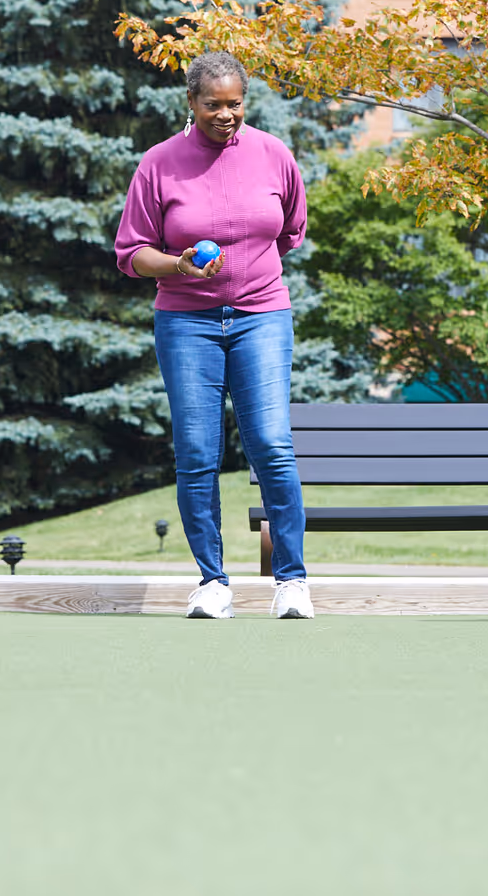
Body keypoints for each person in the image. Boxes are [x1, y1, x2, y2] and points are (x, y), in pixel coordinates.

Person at [114, 52, 314, 620]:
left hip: (262, 316)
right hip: (186, 322)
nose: (225, 115)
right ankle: (213, 583)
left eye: (234, 104)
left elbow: (290, 229)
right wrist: (180, 266)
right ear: (191, 104)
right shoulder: (159, 164)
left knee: (272, 445)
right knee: (198, 453)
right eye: (213, 105)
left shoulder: (274, 155)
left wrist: (246, 279)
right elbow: (131, 254)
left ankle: (292, 582)